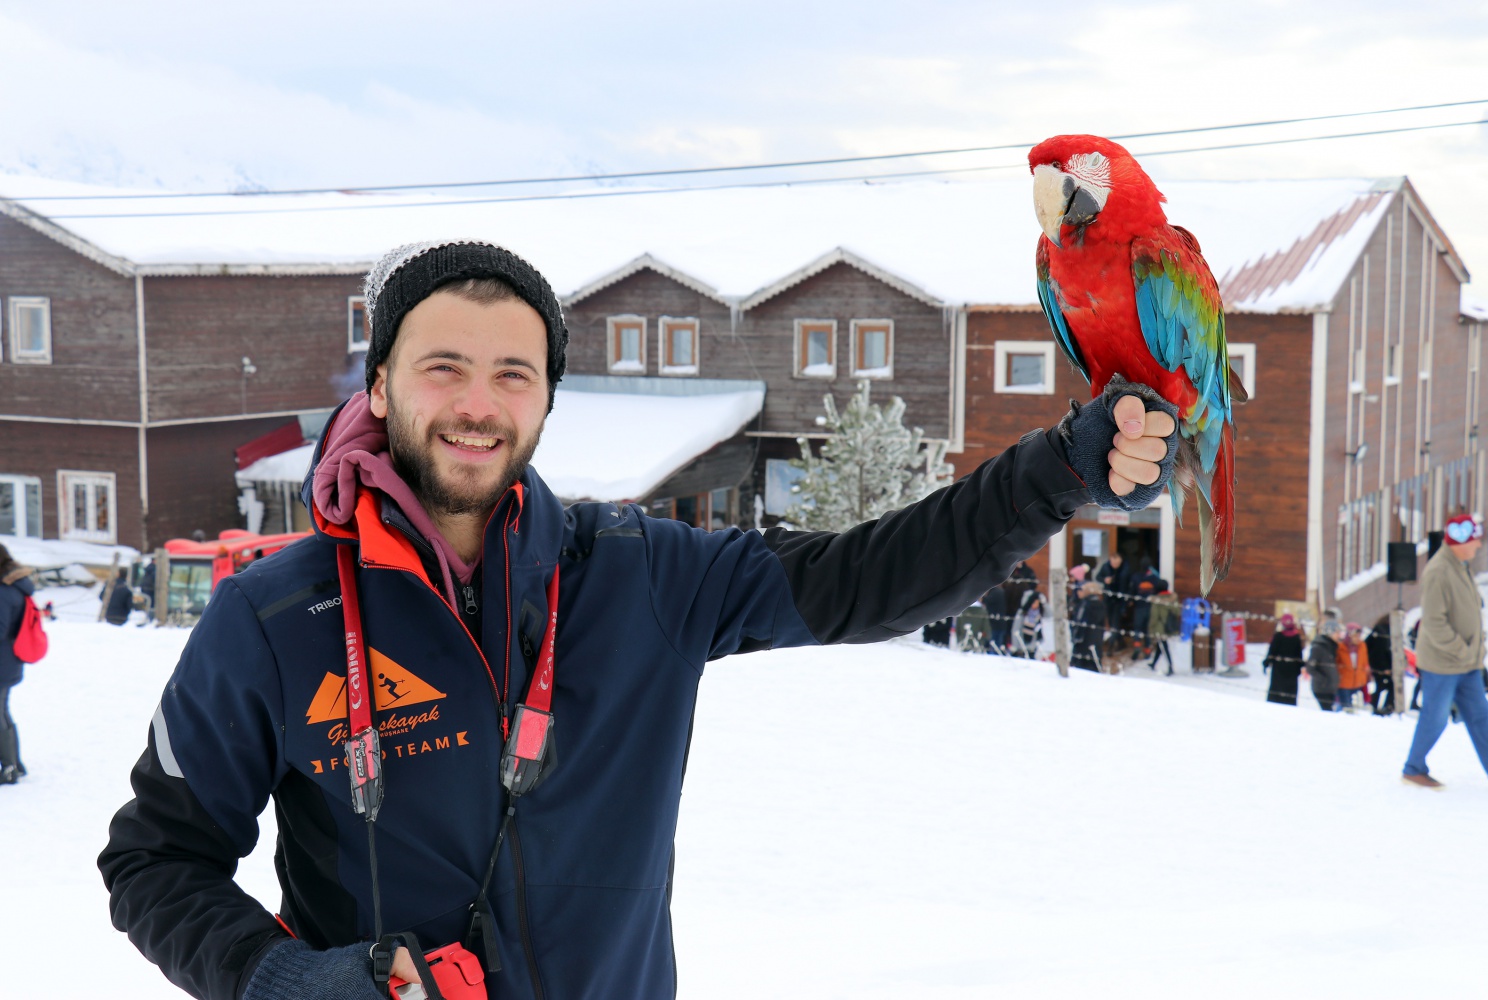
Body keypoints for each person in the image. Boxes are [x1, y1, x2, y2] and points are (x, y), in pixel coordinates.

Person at [97, 240, 1182, 1000]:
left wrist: (1060, 471)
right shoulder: (273, 616)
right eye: (444, 367)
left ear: (545, 400)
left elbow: (871, 577)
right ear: (381, 387)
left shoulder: (639, 576)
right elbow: (154, 860)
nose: (478, 402)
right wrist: (277, 977)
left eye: (513, 373)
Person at [1401, 512, 1488, 789]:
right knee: (1435, 716)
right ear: (1460, 541)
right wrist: (1463, 650)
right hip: (1443, 663)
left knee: (1479, 714)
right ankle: (1413, 768)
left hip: (1466, 662)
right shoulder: (1439, 571)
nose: (1478, 546)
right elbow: (1434, 624)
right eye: (1475, 541)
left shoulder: (1459, 565)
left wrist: (1472, 654)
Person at [0, 544, 34, 784]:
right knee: (3, 710)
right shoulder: (16, 587)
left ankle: (9, 766)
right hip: (9, 660)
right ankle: (15, 762)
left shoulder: (3, 591)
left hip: (2, 661)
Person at [1264, 613, 1304, 707]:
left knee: (1276, 694)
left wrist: (1266, 663)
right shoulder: (1296, 637)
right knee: (1289, 695)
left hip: (1278, 668)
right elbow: (1299, 655)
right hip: (1292, 670)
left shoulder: (1278, 636)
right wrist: (1299, 668)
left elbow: (1272, 652)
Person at [1096, 552, 1132, 649]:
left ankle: (1111, 647)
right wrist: (1105, 580)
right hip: (1108, 599)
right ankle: (1121, 642)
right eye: (1113, 563)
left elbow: (1130, 584)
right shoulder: (1105, 567)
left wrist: (1128, 599)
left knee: (1115, 623)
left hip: (1119, 600)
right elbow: (1097, 577)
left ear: (1120, 561)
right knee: (1112, 623)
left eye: (1117, 563)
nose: (1115, 565)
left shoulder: (1126, 569)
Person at [1070, 581, 1108, 672]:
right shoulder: (1101, 604)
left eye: (1080, 590)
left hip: (1083, 643)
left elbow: (1079, 624)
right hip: (1096, 643)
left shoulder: (1084, 605)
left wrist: (1075, 638)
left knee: (1080, 671)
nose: (1078, 592)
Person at [1305, 620, 1341, 711]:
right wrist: (1323, 679)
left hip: (1330, 688)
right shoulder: (1319, 647)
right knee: (1327, 713)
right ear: (1330, 632)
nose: (1339, 635)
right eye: (1337, 632)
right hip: (1321, 688)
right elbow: (1310, 668)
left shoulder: (1332, 646)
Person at [1335, 622, 1371, 711]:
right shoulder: (1340, 647)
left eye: (1359, 636)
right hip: (1344, 682)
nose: (1357, 638)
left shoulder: (1362, 646)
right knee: (1345, 708)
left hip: (1358, 682)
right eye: (1355, 636)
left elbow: (1364, 663)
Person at [1146, 584, 1180, 675]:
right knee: (1160, 646)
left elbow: (1154, 616)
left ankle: (1170, 667)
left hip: (1160, 627)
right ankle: (1153, 664)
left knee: (1163, 647)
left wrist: (1150, 628)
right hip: (1169, 626)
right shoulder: (1173, 598)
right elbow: (1177, 612)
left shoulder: (1156, 600)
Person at [1365, 616, 1395, 715]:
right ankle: (1380, 707)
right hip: (1380, 666)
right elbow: (1380, 651)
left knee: (1385, 686)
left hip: (1382, 664)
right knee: (1383, 686)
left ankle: (1384, 706)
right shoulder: (1382, 632)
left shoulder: (1384, 630)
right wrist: (1384, 667)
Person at [1009, 589, 1048, 659]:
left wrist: (1044, 602)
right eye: (1034, 602)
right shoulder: (1022, 613)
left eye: (1037, 603)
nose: (1035, 605)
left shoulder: (1039, 614)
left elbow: (1050, 613)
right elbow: (1016, 629)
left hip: (1032, 647)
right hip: (1020, 645)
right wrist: (1016, 645)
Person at [137, 557, 158, 623]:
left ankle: (150, 618)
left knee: (149, 604)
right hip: (150, 589)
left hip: (147, 589)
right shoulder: (154, 569)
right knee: (151, 605)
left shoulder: (149, 568)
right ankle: (151, 618)